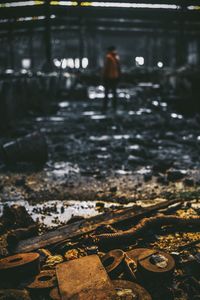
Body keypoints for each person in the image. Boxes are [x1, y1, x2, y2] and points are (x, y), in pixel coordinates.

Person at [102, 46, 121, 111]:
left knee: (106, 93)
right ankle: (114, 107)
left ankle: (105, 107)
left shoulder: (108, 57)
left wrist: (103, 77)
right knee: (114, 93)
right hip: (115, 77)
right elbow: (118, 68)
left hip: (108, 77)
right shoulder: (116, 57)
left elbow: (106, 68)